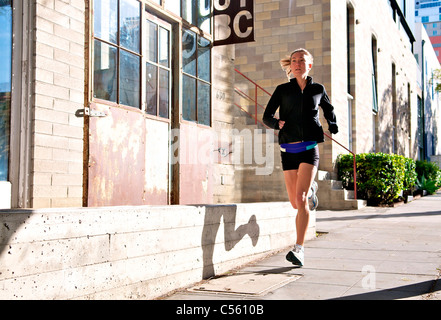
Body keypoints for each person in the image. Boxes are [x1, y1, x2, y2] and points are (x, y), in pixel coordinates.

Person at [263, 48, 338, 267]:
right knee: (295, 203)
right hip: (288, 150)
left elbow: (329, 108)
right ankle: (311, 190)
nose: (297, 64)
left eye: (301, 61)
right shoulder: (282, 90)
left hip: (309, 148)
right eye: (294, 61)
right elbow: (266, 116)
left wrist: (332, 124)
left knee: (302, 197)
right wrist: (276, 123)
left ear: (309, 65)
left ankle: (299, 249)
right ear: (291, 65)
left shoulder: (317, 89)